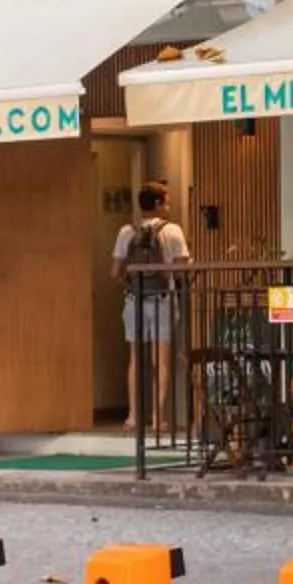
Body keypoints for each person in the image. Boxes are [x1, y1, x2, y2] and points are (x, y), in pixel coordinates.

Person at [115, 182, 191, 439]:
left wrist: (131, 281)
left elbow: (115, 271)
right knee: (162, 362)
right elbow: (181, 269)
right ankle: (159, 418)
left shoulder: (127, 231)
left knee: (135, 359)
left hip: (134, 300)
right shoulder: (172, 231)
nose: (168, 206)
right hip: (162, 299)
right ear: (157, 203)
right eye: (166, 201)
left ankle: (133, 416)